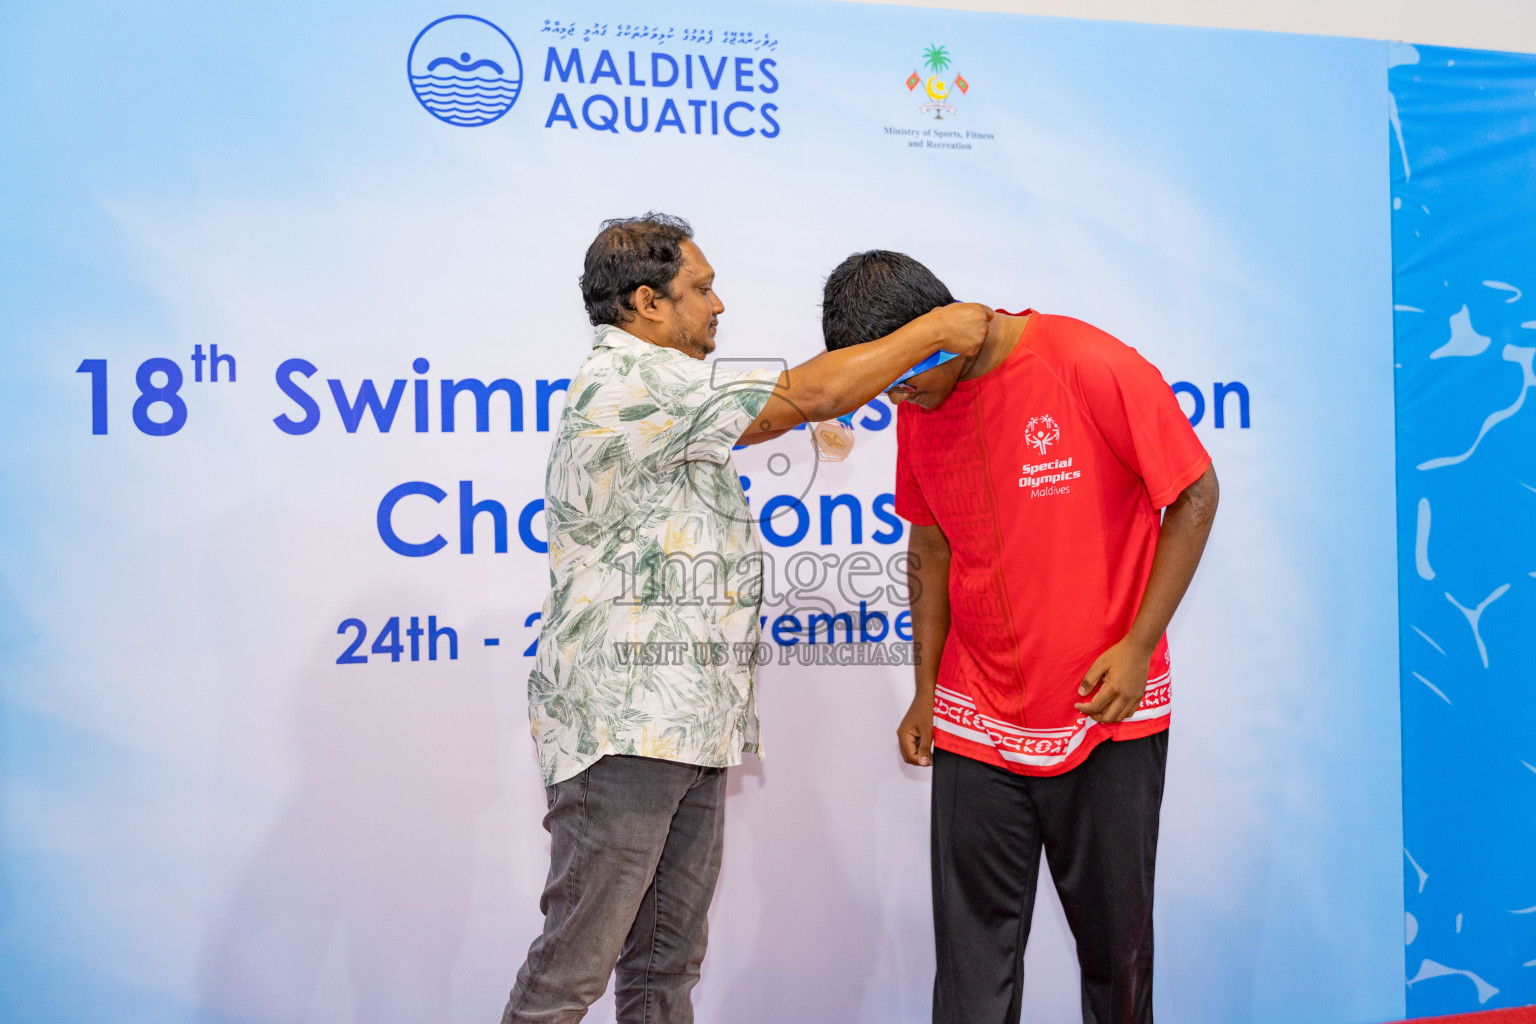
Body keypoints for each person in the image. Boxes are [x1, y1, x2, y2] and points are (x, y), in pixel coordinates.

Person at [502, 216, 992, 1024]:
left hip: (688, 728)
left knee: (665, 975)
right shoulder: (632, 383)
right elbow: (812, 394)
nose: (718, 304)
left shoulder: (670, 389)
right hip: (626, 732)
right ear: (646, 303)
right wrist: (934, 330)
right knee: (569, 977)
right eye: (700, 289)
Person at [821, 250, 1219, 1024]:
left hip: (1101, 708)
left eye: (904, 376)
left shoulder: (1086, 362)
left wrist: (1138, 646)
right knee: (971, 966)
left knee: (1116, 956)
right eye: (886, 384)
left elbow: (1195, 492)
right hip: (975, 713)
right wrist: (926, 691)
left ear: (941, 334)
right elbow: (930, 544)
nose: (898, 396)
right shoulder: (919, 406)